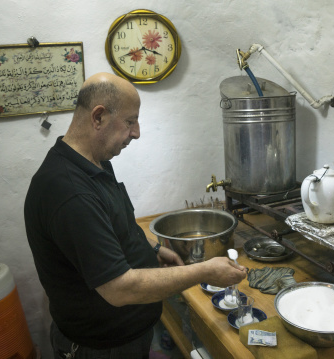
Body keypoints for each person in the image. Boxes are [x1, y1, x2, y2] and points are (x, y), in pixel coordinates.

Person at [24, 72, 247, 359]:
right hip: (101, 350)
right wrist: (204, 271)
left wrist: (152, 248)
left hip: (127, 338)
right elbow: (120, 289)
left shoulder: (95, 162)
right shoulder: (69, 192)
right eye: (130, 121)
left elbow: (118, 225)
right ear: (98, 117)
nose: (137, 132)